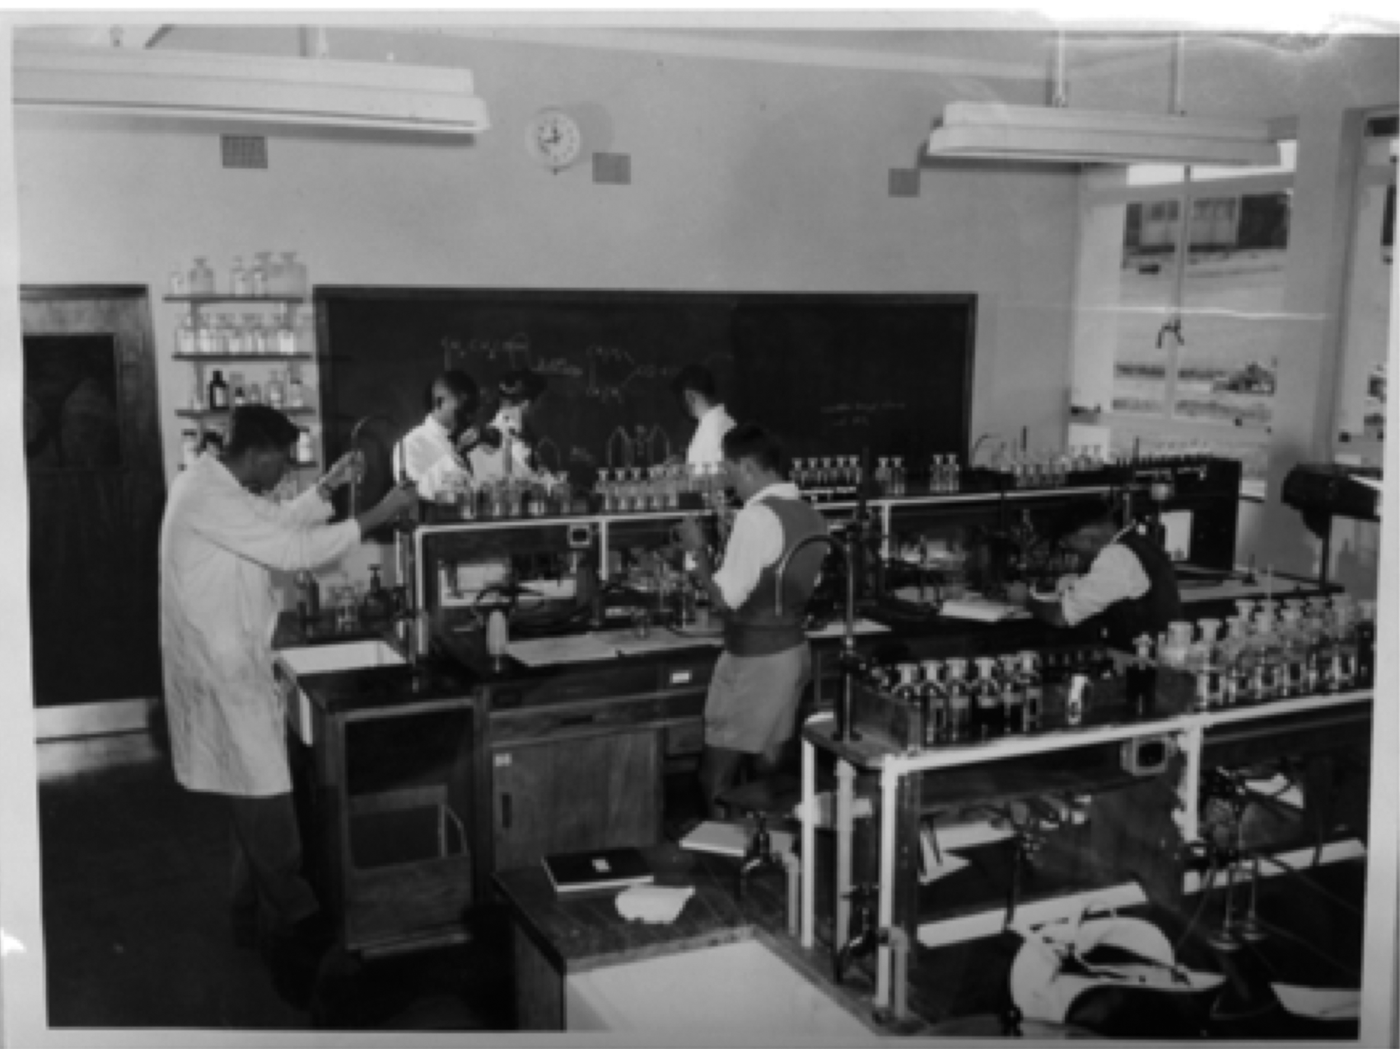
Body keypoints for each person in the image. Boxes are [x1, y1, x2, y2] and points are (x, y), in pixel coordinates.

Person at [159, 405, 417, 1006]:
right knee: (269, 807)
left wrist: (326, 488)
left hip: (228, 662)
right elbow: (289, 549)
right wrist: (378, 514)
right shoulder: (208, 494)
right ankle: (302, 948)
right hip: (223, 671)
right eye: (281, 459)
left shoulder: (219, 484)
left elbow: (274, 522)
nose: (284, 472)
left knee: (247, 791)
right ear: (256, 453)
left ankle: (247, 920)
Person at [676, 424, 828, 816]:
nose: (730, 484)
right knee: (768, 769)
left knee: (716, 775)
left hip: (755, 661)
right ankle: (766, 848)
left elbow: (725, 599)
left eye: (730, 472)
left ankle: (724, 848)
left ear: (746, 466)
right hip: (793, 653)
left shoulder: (755, 517)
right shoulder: (812, 515)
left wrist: (697, 552)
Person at [1027, 498, 1184, 650]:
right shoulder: (1141, 543)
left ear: (1086, 538)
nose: (1077, 556)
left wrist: (1024, 599)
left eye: (1072, 548)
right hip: (1158, 650)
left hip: (1138, 657)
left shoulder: (1115, 556)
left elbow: (1060, 616)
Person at [392, 369, 481, 501]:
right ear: (440, 402)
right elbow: (415, 495)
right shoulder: (411, 444)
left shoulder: (471, 440)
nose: (469, 416)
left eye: (472, 408)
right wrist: (456, 455)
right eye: (463, 408)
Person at [469, 369, 549, 483]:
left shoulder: (515, 434)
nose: (540, 411)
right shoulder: (501, 437)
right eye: (540, 404)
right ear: (526, 404)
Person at [671, 363, 735, 469]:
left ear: (689, 396)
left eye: (680, 400)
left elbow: (716, 476)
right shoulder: (719, 423)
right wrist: (684, 463)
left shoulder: (714, 431)